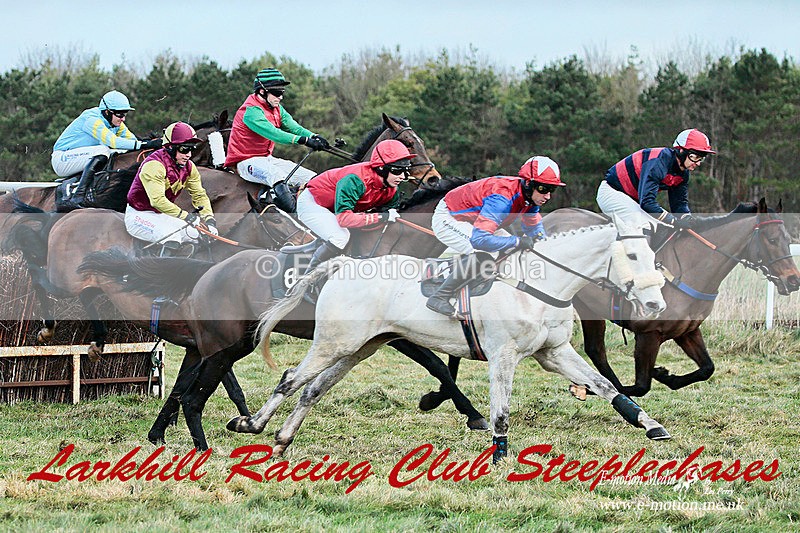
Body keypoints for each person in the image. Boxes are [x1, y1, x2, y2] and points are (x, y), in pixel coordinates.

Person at [425, 156, 564, 316]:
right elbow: (480, 240)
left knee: (509, 251)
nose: (547, 196)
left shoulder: (529, 198)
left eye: (551, 190)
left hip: (477, 219)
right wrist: (517, 240)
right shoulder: (502, 199)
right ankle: (439, 297)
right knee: (485, 253)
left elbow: (534, 227)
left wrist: (543, 244)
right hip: (449, 217)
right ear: (528, 183)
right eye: (543, 189)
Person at [296, 139, 414, 272]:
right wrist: (382, 216)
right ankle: (307, 282)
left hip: (336, 208)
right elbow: (344, 219)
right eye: (397, 171)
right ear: (381, 168)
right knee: (340, 237)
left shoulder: (391, 190)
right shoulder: (355, 180)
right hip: (312, 203)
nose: (403, 177)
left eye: (406, 171)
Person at [225, 68, 330, 210]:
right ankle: (294, 214)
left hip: (267, 159)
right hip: (245, 162)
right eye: (277, 93)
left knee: (312, 177)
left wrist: (313, 136)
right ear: (262, 91)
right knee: (277, 175)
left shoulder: (277, 108)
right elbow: (274, 134)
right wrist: (304, 141)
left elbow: (295, 127)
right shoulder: (251, 112)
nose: (280, 97)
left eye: (282, 92)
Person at [52, 90, 162, 210]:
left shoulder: (115, 123)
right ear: (107, 112)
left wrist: (152, 145)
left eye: (125, 114)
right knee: (104, 150)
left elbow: (132, 141)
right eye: (120, 114)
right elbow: (113, 142)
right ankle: (78, 195)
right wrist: (146, 144)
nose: (123, 119)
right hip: (62, 160)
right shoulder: (92, 119)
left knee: (118, 153)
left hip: (82, 157)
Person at [125, 122, 217, 256]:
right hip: (139, 215)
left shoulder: (190, 167)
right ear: (171, 148)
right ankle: (159, 275)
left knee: (197, 235)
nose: (189, 155)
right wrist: (187, 217)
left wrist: (209, 219)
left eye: (192, 149)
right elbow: (157, 201)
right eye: (184, 149)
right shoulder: (154, 165)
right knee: (172, 238)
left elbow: (199, 195)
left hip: (162, 215)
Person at [597, 128, 715, 230]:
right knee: (646, 226)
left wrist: (688, 219)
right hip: (612, 192)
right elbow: (647, 202)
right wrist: (673, 220)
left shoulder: (683, 173)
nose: (698, 163)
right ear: (681, 151)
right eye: (694, 157)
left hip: (634, 201)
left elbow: (679, 204)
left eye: (701, 159)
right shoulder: (658, 162)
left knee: (662, 227)